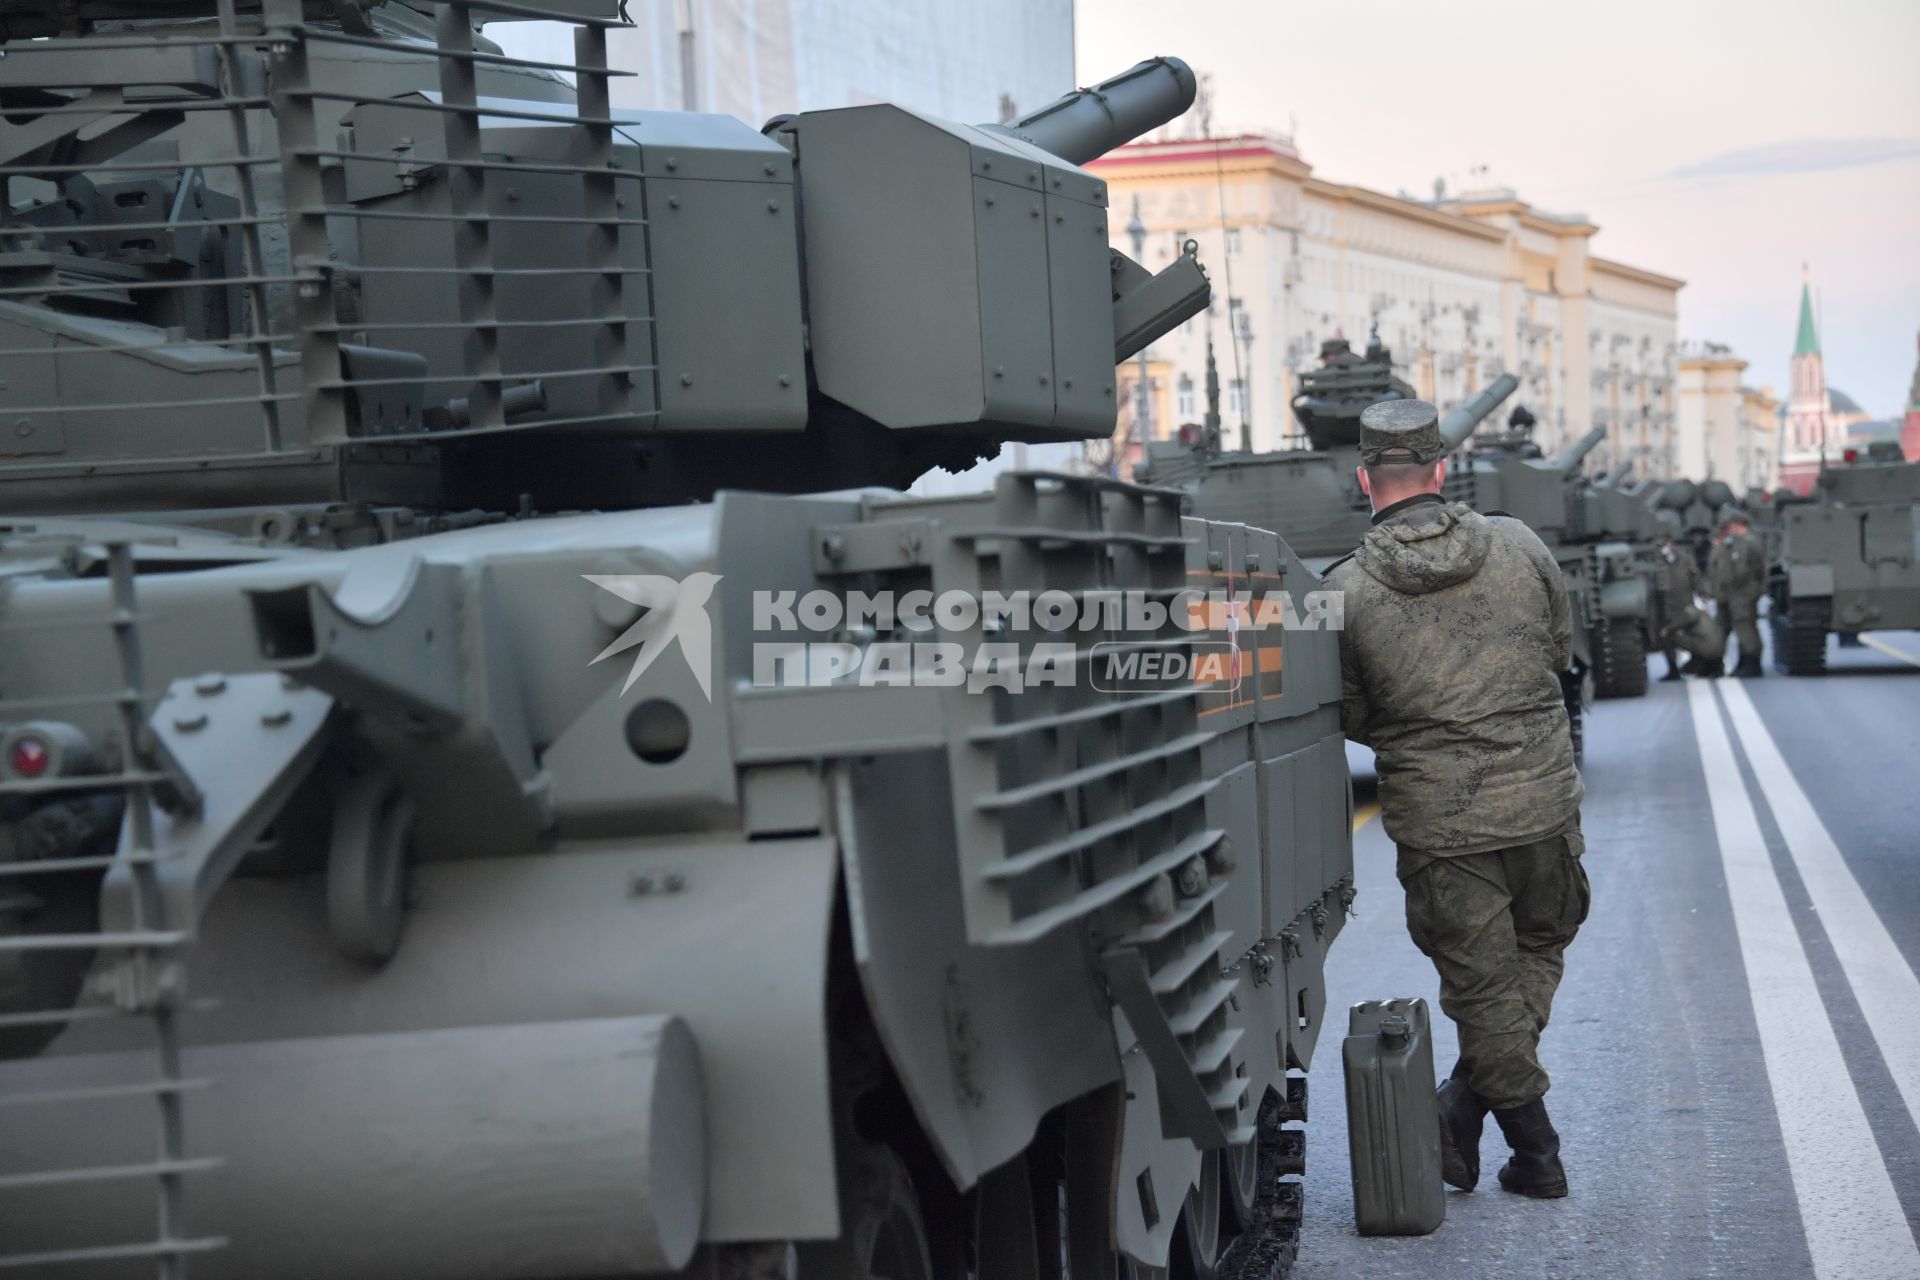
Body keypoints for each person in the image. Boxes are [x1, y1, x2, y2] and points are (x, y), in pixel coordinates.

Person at [1327, 399, 1589, 1200]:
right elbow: (1560, 648)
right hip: (1545, 802)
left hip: (1444, 826)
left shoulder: (1344, 589)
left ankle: (1529, 1153)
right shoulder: (1520, 544)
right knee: (1541, 942)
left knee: (1483, 990)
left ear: (1363, 478)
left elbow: (1348, 711)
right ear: (1442, 469)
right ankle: (1484, 1122)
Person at [1707, 509, 1767, 678]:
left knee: (1745, 628)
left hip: (1742, 593)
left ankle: (1752, 664)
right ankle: (1737, 664)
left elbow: (1754, 570)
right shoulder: (1731, 544)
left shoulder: (1747, 543)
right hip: (1729, 594)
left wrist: (1752, 589)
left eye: (1732, 526)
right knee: (1725, 627)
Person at [1655, 532, 1721, 679]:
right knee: (1668, 638)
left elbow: (1695, 578)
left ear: (1670, 543)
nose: (1662, 548)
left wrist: (1703, 594)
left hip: (1685, 606)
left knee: (1698, 635)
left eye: (1664, 544)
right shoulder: (1656, 561)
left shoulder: (1685, 559)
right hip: (1665, 608)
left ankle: (1704, 664)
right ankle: (1672, 668)